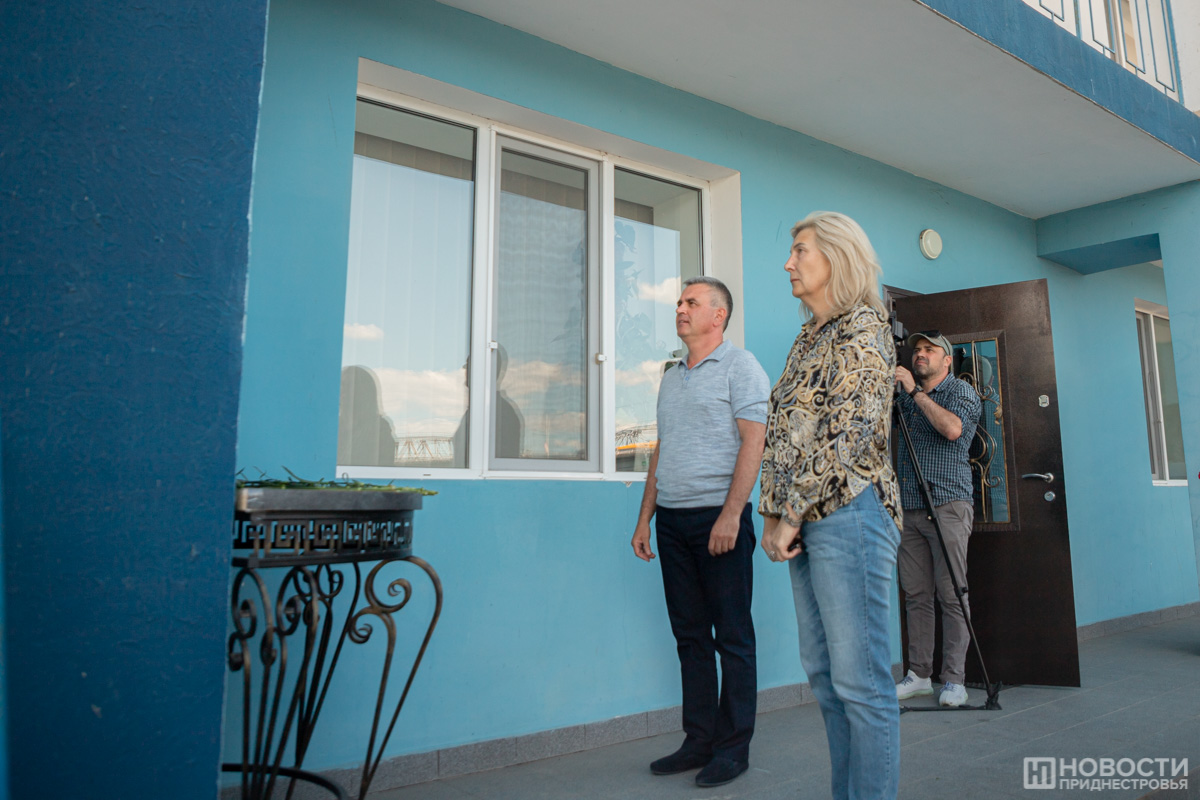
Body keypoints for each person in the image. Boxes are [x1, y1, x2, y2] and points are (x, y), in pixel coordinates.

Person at [759, 211, 902, 800]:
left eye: (800, 251)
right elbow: (784, 434)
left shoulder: (864, 326)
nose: (788, 263)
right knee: (825, 678)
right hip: (805, 519)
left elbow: (852, 435)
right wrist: (773, 513)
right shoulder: (808, 338)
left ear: (837, 258)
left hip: (852, 514)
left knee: (861, 683)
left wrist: (789, 513)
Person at [630, 276, 769, 789]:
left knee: (732, 636)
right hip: (672, 521)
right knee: (690, 636)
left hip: (719, 519)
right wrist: (645, 518)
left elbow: (754, 441)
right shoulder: (670, 377)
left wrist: (732, 515)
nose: (680, 308)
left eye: (691, 302)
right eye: (679, 302)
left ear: (718, 315)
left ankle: (733, 749)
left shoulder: (741, 367)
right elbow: (661, 450)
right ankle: (699, 740)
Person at [893, 331, 982, 708]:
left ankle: (955, 680)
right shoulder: (903, 396)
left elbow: (952, 429)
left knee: (952, 594)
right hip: (910, 507)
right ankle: (919, 675)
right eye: (917, 350)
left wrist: (915, 392)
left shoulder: (961, 392)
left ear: (947, 359)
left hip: (947, 504)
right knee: (916, 595)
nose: (920, 354)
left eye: (929, 350)